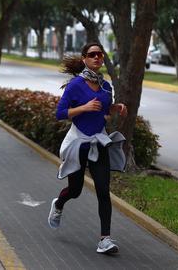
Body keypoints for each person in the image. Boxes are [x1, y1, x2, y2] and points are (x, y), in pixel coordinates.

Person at [47, 42, 128, 254]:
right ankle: (59, 203)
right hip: (78, 142)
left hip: (98, 142)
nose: (97, 58)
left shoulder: (106, 86)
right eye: (92, 54)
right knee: (75, 190)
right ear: (84, 58)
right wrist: (83, 107)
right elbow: (60, 113)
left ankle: (105, 239)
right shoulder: (75, 85)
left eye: (100, 54)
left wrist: (114, 108)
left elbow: (103, 111)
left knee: (103, 190)